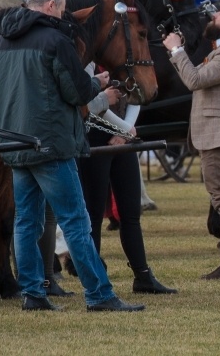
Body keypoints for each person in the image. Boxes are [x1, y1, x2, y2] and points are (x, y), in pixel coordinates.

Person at [0, 0, 145, 312]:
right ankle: (99, 294)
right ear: (54, 6)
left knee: (26, 221)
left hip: (15, 143)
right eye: (63, 6)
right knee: (75, 221)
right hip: (52, 144)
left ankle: (32, 293)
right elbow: (76, 93)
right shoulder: (57, 40)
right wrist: (95, 83)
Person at [163, 0, 220, 279]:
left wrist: (176, 49)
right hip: (216, 135)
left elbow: (194, 81)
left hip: (219, 135)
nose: (214, 15)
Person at [78, 62, 178, 294]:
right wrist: (124, 128)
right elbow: (91, 104)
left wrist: (124, 131)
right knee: (93, 214)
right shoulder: (87, 62)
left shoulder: (122, 60)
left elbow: (137, 96)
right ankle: (96, 279)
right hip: (94, 138)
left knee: (131, 212)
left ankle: (142, 275)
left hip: (122, 139)